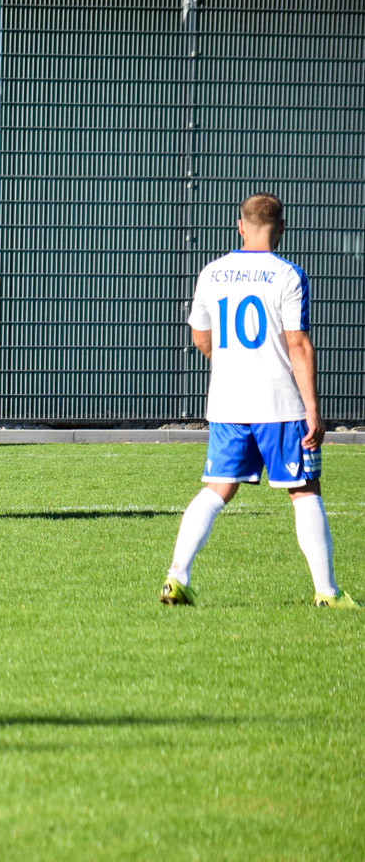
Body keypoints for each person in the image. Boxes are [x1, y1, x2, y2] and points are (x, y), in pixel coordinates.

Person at [161, 193, 354, 608]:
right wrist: (313, 409)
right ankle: (327, 592)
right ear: (281, 228)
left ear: (240, 226)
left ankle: (176, 577)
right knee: (304, 489)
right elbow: (298, 343)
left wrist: (234, 365)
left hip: (228, 403)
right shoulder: (288, 275)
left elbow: (200, 337)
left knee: (217, 489)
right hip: (280, 405)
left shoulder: (211, 272)